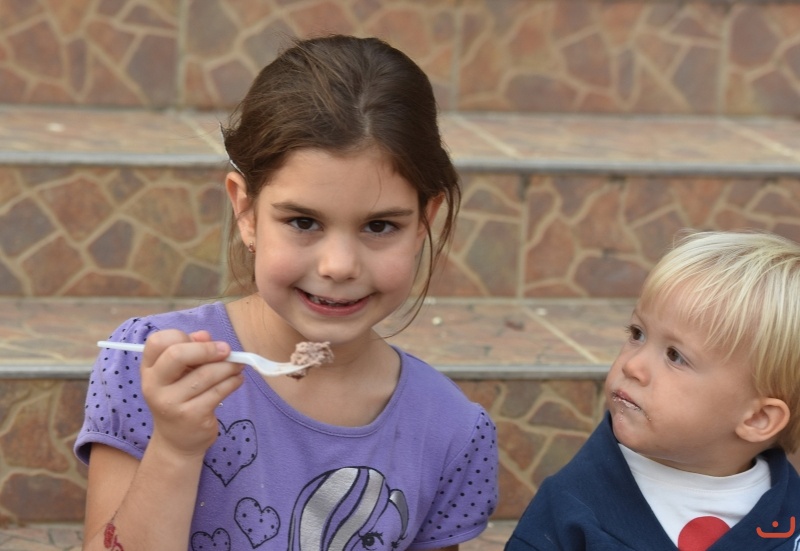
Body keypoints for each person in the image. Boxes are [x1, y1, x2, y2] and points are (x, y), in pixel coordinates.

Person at [75, 34, 498, 551]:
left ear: (423, 223)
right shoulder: (150, 367)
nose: (338, 266)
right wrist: (176, 447)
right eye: (303, 221)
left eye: (379, 226)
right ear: (246, 212)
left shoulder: (451, 430)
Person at [506, 230, 800, 551]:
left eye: (675, 356)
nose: (633, 366)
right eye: (637, 334)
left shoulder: (791, 520)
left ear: (758, 418)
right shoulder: (569, 507)